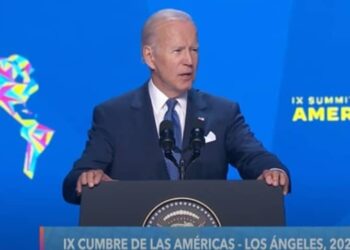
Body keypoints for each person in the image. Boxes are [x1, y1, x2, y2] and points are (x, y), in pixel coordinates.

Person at [63, 8, 290, 204]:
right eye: (178, 51)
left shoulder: (223, 113)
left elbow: (254, 157)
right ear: (149, 57)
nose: (189, 61)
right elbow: (77, 178)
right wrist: (89, 179)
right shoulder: (113, 115)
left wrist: (273, 172)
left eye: (194, 50)